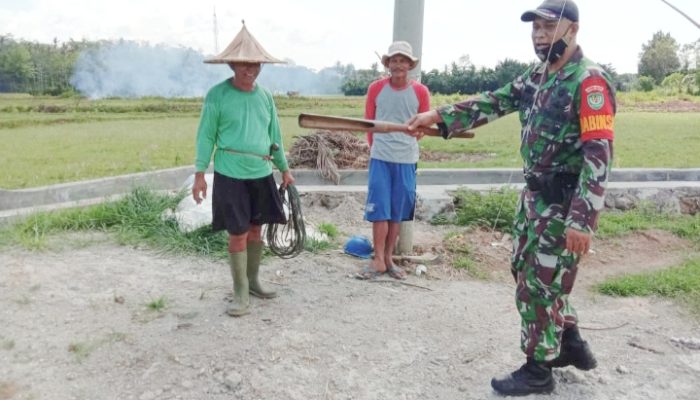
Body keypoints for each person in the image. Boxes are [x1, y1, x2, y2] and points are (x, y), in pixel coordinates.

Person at [407, 0, 615, 395]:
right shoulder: (536, 77)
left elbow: (599, 154)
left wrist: (583, 219)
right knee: (526, 270)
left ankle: (539, 370)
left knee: (538, 283)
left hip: (565, 204)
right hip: (535, 200)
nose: (539, 35)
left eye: (547, 27)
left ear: (572, 30)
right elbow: (493, 101)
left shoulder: (588, 82)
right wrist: (437, 116)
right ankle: (568, 341)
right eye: (534, 28)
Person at [192, 23, 294, 317]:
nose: (250, 69)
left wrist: (284, 169)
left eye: (255, 64)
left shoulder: (265, 97)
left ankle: (253, 282)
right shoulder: (217, 95)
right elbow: (205, 136)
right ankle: (239, 292)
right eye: (244, 64)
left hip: (261, 172)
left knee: (255, 228)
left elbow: (275, 136)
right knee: (237, 232)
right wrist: (200, 174)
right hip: (230, 173)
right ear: (232, 64)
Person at [356, 41, 431, 280]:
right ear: (388, 64)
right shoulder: (376, 89)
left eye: (403, 60)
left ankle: (389, 258)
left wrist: (416, 133)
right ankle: (377, 259)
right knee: (380, 209)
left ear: (410, 65)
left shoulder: (420, 91)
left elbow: (423, 127)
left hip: (407, 159)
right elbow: (369, 123)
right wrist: (376, 148)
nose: (398, 65)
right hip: (381, 157)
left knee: (397, 211)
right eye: (394, 60)